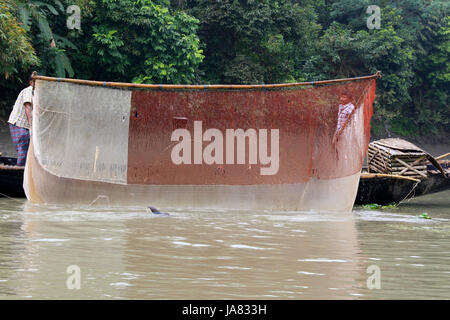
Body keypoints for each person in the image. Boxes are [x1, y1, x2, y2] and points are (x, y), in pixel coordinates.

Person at [8, 74, 34, 166]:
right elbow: (27, 107)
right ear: (31, 82)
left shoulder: (36, 93)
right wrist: (31, 126)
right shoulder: (29, 90)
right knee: (23, 145)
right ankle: (20, 169)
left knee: (26, 147)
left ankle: (23, 168)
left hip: (24, 124)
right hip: (18, 123)